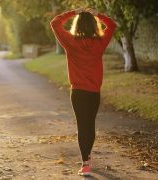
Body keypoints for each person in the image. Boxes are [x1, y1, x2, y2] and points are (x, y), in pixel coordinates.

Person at [50, 8, 117, 176]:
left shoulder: (70, 42)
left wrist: (73, 12)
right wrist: (98, 14)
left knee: (82, 125)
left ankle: (85, 163)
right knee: (90, 124)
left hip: (78, 92)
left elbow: (54, 23)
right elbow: (112, 25)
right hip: (94, 92)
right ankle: (87, 158)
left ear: (77, 25)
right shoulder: (100, 43)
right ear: (94, 26)